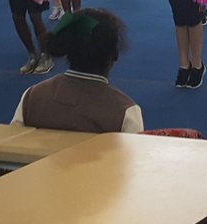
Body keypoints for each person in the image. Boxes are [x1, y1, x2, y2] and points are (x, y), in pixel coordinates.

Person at [10, 8, 142, 133]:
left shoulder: (32, 97)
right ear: (115, 55)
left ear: (67, 50)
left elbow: (10, 147)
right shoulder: (125, 112)